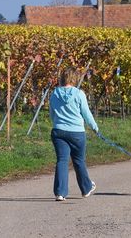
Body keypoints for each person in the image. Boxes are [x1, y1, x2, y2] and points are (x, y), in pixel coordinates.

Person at [49, 66, 99, 201]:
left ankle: (60, 192)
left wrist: (57, 123)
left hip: (58, 131)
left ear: (62, 78)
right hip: (77, 132)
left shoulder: (54, 93)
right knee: (79, 160)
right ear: (74, 79)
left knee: (62, 160)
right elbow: (86, 113)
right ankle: (86, 188)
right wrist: (94, 126)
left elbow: (52, 113)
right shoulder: (78, 94)